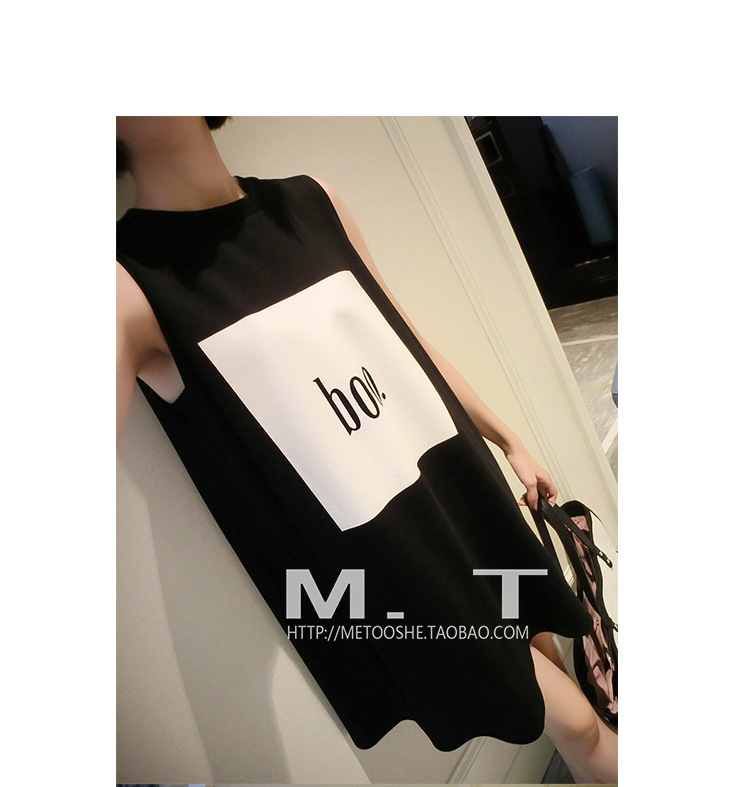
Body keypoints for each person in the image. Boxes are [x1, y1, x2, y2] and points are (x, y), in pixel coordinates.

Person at [116, 116, 617, 783]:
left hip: (463, 492)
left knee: (557, 680)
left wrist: (508, 439)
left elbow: (407, 342)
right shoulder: (126, 284)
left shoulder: (310, 202)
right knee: (577, 722)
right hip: (399, 565)